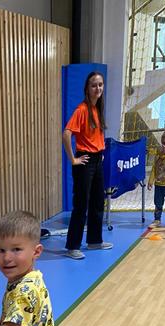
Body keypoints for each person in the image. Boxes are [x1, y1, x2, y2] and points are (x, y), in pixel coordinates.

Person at [63, 71, 113, 260]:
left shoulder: (97, 108)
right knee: (81, 204)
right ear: (87, 88)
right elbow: (66, 134)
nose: (98, 88)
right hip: (84, 161)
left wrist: (99, 155)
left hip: (97, 159)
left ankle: (94, 241)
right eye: (94, 85)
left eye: (100, 84)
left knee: (98, 201)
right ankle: (73, 246)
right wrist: (73, 159)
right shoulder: (82, 109)